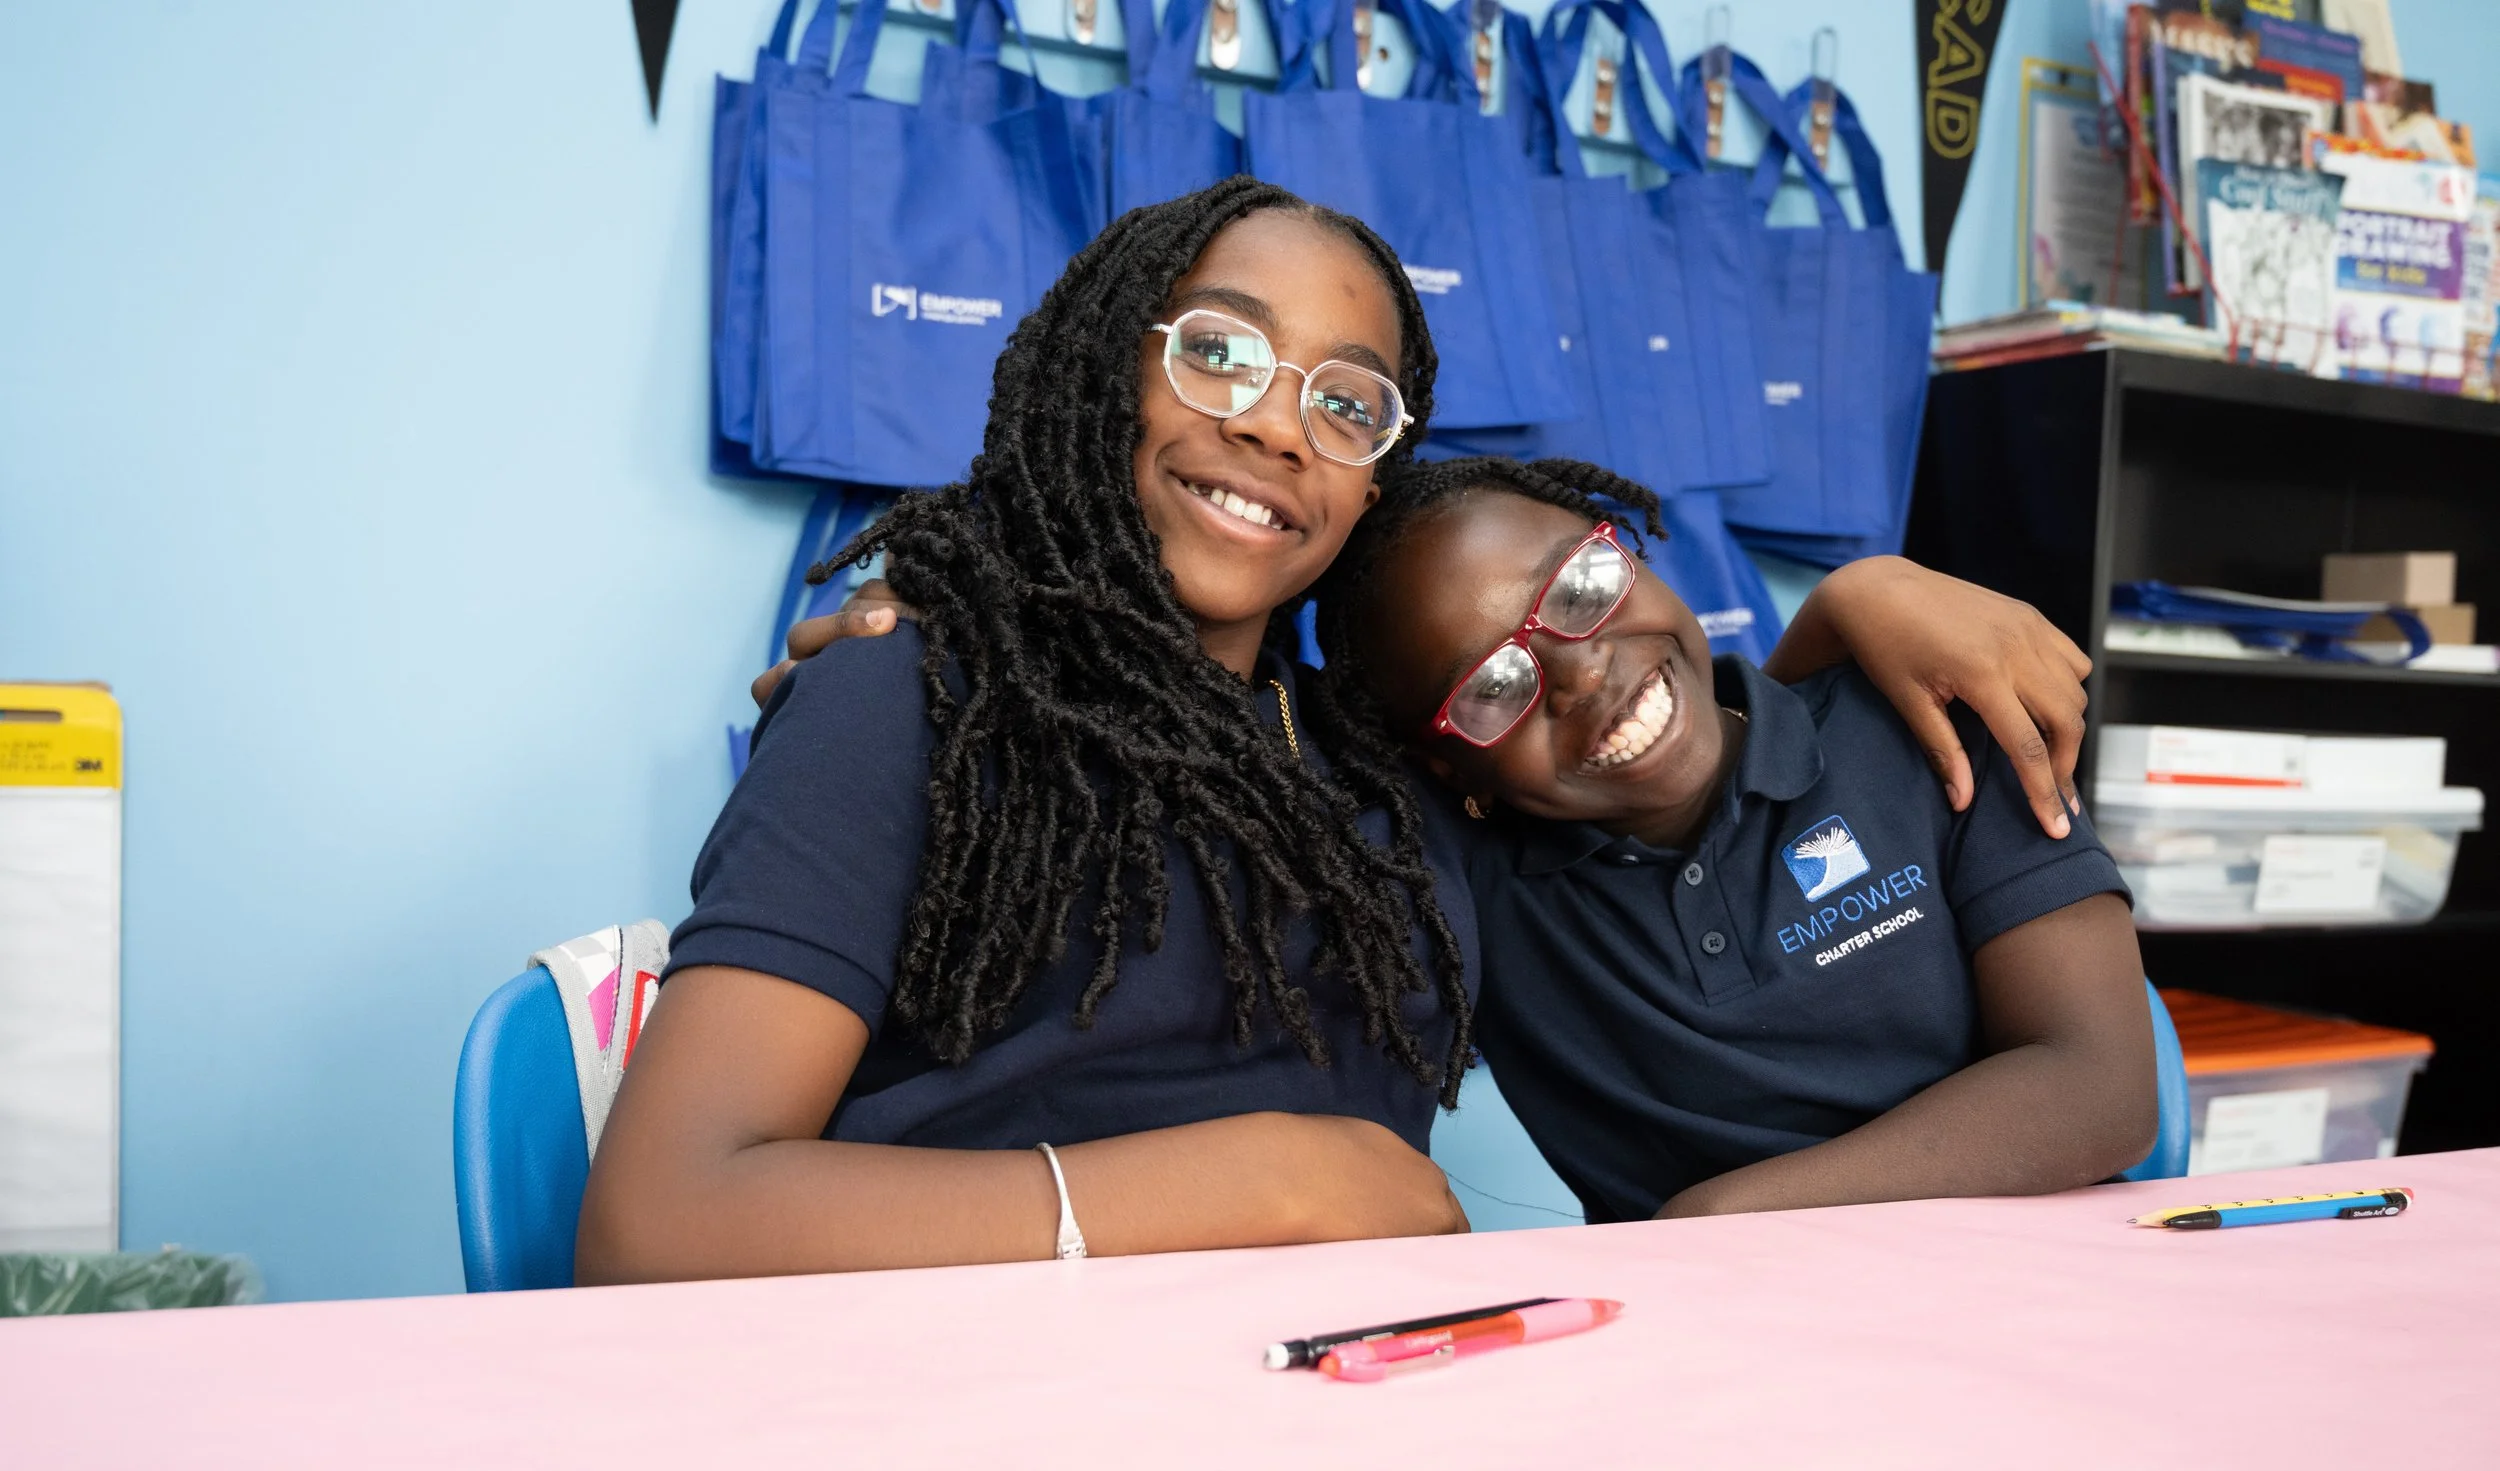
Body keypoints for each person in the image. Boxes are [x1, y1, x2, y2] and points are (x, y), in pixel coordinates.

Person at [586, 178, 2100, 1285]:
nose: (1274, 425)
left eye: (1348, 401)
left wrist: (1857, 596)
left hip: (1338, 1424)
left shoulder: (1398, 773)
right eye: (1220, 356)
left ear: (1372, 479)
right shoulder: (909, 693)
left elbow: (1641, 717)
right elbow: (662, 1219)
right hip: (981, 1413)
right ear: (1102, 367)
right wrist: (1270, 1177)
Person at [1323, 456, 2154, 1225]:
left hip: (2039, 1297)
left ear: (1632, 554)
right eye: (1493, 686)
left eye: (1581, 589)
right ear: (1449, 770)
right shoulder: (1474, 894)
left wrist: (1723, 1217)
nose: (1579, 674)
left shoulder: (1929, 729)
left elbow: (2103, 1088)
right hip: (1724, 1347)